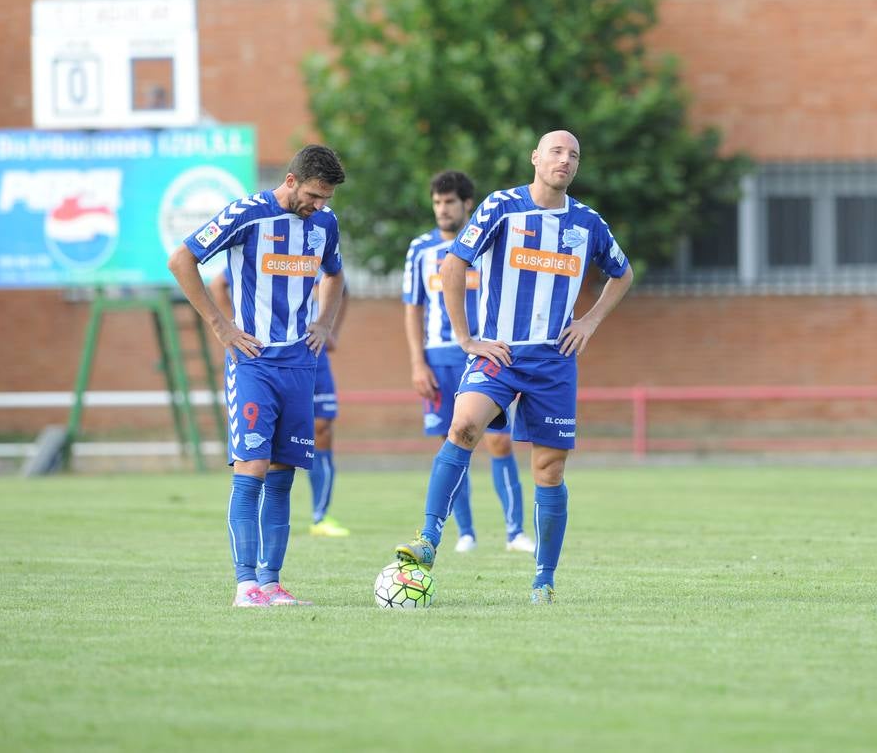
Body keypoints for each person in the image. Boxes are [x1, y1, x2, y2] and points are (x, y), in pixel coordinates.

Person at [393, 129, 634, 604]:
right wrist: (467, 339)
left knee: (548, 469)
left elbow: (623, 273)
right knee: (462, 426)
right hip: (500, 353)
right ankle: (427, 540)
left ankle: (543, 581)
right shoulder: (503, 207)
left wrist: (589, 321)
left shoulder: (587, 223)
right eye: (556, 152)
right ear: (536, 158)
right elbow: (453, 265)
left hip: (554, 360)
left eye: (574, 155)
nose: (565, 160)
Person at [167, 144, 346, 608]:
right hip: (253, 363)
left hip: (300, 365)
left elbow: (335, 275)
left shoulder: (324, 224)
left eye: (325, 199)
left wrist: (324, 323)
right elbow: (181, 260)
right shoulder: (247, 214)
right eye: (312, 195)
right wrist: (221, 326)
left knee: (284, 476)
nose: (318, 206)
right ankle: (245, 584)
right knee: (251, 469)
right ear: (290, 181)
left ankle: (271, 583)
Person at [403, 170, 535, 554]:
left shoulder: (489, 244)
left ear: (467, 205)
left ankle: (515, 533)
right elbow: (411, 309)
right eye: (437, 202)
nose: (442, 210)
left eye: (449, 202)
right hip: (438, 360)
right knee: (453, 442)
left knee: (499, 444)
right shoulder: (420, 250)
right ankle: (465, 533)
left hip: (486, 357)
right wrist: (417, 363)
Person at [211, 268, 351, 538]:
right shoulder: (263, 245)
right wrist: (232, 325)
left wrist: (329, 327)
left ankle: (320, 515)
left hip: (311, 351)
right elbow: (219, 283)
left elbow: (341, 288)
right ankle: (261, 520)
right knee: (264, 448)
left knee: (322, 428)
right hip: (264, 355)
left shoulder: (319, 241)